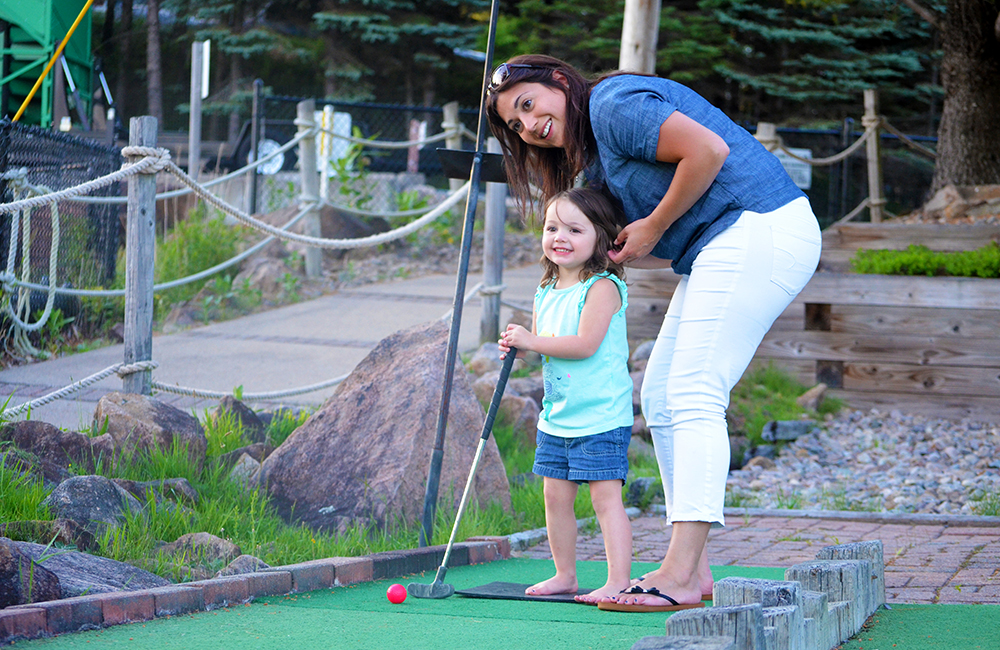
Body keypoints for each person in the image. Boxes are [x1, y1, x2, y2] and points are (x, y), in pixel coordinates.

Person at [487, 55, 822, 612]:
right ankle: (697, 570)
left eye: (528, 105)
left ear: (559, 83)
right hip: (717, 245)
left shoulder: (612, 105)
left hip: (760, 224)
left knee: (692, 391)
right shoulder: (596, 166)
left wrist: (657, 225)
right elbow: (629, 241)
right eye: (517, 126)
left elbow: (706, 151)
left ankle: (682, 572)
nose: (530, 126)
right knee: (661, 394)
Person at [498, 187, 635, 605]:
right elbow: (544, 345)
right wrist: (519, 349)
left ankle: (618, 581)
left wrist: (534, 340)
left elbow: (584, 344)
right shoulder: (546, 288)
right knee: (554, 496)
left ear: (600, 238)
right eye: (552, 227)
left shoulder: (602, 287)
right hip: (558, 415)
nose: (560, 236)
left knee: (604, 498)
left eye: (575, 229)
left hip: (601, 416)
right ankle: (564, 574)